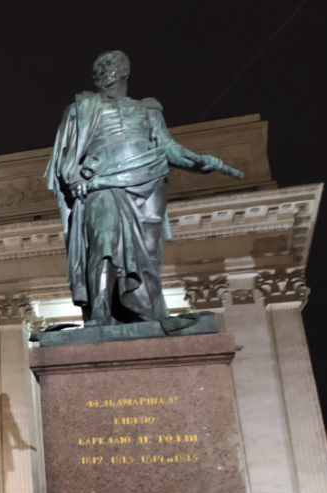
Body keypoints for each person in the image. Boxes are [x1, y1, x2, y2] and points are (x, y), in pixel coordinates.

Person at [45, 50, 242, 326]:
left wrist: (197, 161)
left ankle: (143, 312)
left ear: (125, 71)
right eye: (99, 68)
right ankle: (100, 311)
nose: (103, 71)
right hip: (101, 183)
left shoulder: (147, 109)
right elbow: (65, 154)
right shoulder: (79, 108)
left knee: (147, 256)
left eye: (110, 65)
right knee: (104, 237)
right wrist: (75, 177)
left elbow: (168, 147)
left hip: (146, 182)